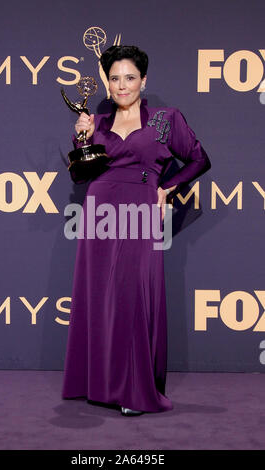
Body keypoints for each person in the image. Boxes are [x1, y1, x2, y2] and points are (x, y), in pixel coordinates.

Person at [62, 45, 211, 416]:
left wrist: (167, 187)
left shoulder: (165, 118)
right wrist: (80, 139)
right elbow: (81, 174)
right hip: (100, 209)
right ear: (107, 83)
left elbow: (199, 158)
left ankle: (134, 388)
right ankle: (98, 383)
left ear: (144, 80)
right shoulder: (95, 121)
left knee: (133, 296)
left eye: (130, 77)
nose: (122, 85)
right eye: (114, 78)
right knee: (99, 296)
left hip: (141, 208)